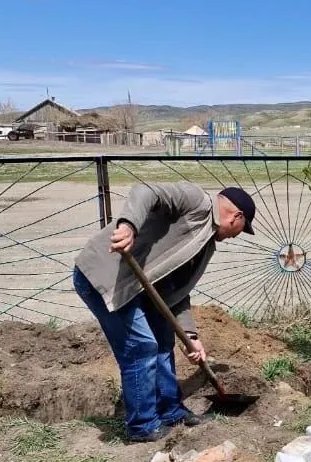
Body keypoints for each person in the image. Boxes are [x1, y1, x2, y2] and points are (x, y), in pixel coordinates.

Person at [73, 182, 256, 443]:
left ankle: (170, 411)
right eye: (243, 229)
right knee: (141, 346)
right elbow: (144, 191)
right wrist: (128, 226)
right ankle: (143, 426)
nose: (237, 235)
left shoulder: (206, 243)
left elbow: (176, 291)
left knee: (162, 339)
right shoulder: (197, 202)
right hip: (105, 277)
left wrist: (190, 334)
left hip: (138, 287)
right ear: (236, 217)